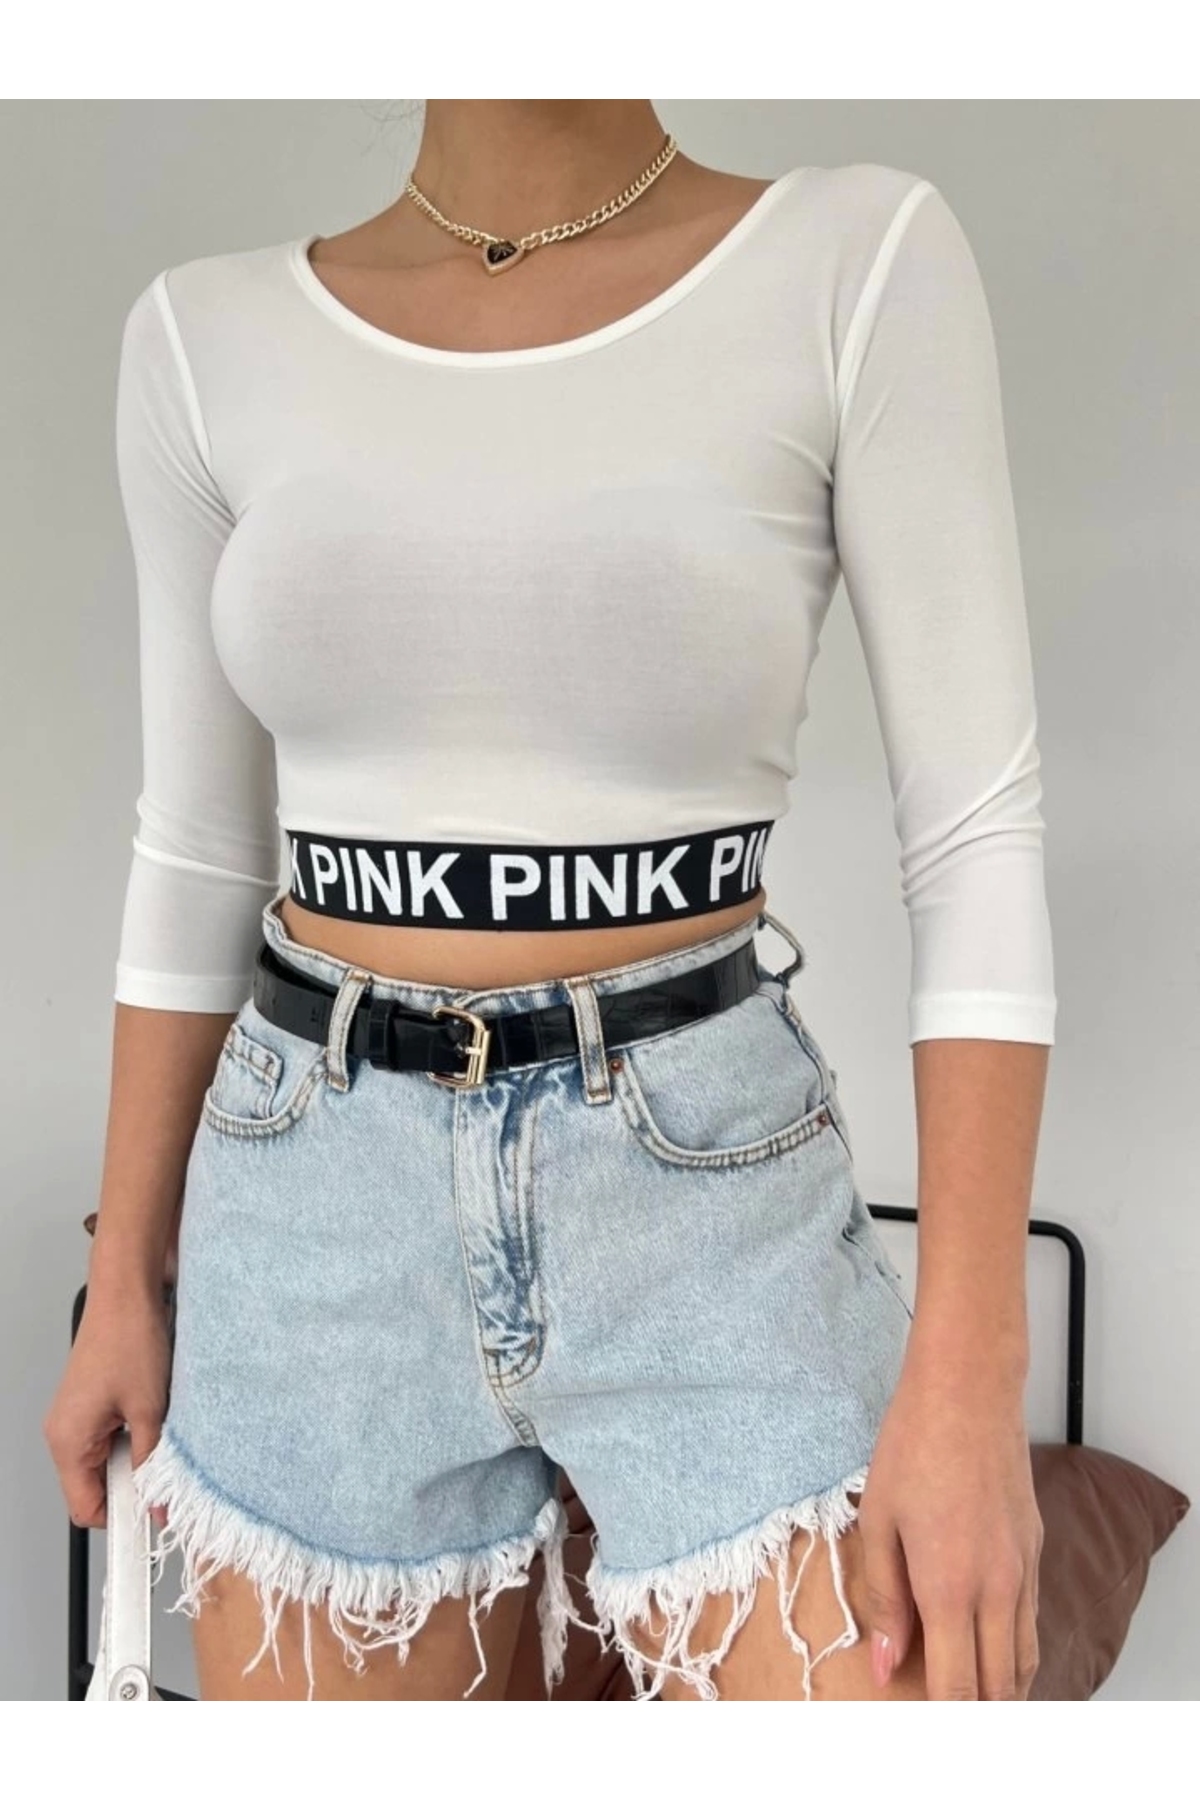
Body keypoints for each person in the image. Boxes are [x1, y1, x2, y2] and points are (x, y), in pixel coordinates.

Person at [44, 100, 1056, 1702]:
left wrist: (974, 1370)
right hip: (312, 1208)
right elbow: (197, 853)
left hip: (706, 1193)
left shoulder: (855, 258)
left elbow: (975, 834)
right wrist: (127, 1277)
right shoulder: (198, 336)